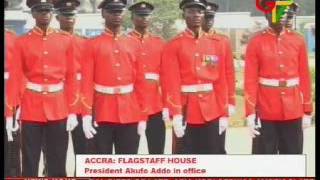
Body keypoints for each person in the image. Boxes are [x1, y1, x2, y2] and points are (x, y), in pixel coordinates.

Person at [7, 0, 79, 176]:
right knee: (30, 159)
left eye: (48, 10)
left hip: (58, 106)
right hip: (32, 106)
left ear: (53, 13)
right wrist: (10, 113)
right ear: (32, 14)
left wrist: (72, 111)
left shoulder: (65, 40)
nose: (45, 14)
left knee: (58, 158)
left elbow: (71, 77)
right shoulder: (22, 42)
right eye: (40, 10)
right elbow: (15, 78)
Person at [161, 0, 234, 154]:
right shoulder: (173, 45)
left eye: (199, 11)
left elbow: (221, 81)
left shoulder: (216, 44)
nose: (196, 15)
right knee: (186, 157)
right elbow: (171, 83)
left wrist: (224, 112)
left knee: (214, 154)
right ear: (184, 15)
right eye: (191, 11)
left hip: (212, 109)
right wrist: (176, 114)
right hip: (187, 109)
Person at [245, 0, 313, 154]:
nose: (282, 15)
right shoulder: (256, 42)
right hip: (265, 110)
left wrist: (307, 110)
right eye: (276, 11)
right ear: (267, 14)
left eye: (284, 11)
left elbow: (304, 77)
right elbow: (250, 80)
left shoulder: (298, 40)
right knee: (264, 161)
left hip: (293, 109)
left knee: (292, 159)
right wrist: (250, 113)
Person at [81, 0, 147, 154]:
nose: (116, 15)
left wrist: (143, 116)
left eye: (120, 11)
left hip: (129, 111)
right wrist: (85, 115)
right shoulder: (92, 45)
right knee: (101, 164)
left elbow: (141, 83)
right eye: (112, 11)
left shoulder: (134, 43)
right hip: (102, 111)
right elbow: (86, 83)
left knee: (126, 164)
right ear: (103, 13)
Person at [126, 1, 168, 154]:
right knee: (129, 151)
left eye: (147, 15)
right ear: (132, 18)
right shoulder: (125, 42)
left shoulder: (160, 43)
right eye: (139, 15)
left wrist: (167, 103)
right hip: (132, 103)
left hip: (155, 105)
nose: (143, 18)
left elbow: (166, 76)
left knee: (157, 151)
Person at [201, 0, 235, 154]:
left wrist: (231, 103)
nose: (208, 21)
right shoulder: (187, 41)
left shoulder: (222, 42)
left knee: (216, 147)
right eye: (205, 17)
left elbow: (228, 74)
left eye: (211, 18)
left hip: (216, 102)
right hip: (192, 102)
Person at [4, 0, 21, 177]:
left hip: (9, 93)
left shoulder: (12, 38)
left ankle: (12, 173)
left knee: (11, 139)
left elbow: (21, 71)